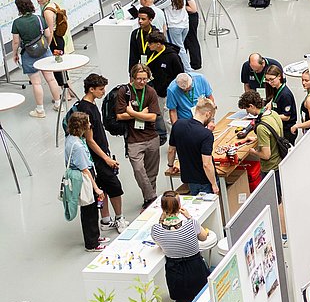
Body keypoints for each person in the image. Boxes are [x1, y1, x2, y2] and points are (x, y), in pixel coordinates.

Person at [67, 74, 126, 231]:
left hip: (96, 157)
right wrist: (106, 158)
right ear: (91, 89)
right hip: (98, 158)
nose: (103, 92)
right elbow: (90, 140)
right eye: (100, 89)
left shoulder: (87, 106)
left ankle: (105, 220)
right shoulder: (88, 110)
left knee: (103, 187)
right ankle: (119, 218)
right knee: (114, 186)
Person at [149, 191, 212, 302]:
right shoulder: (191, 224)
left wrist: (161, 220)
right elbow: (203, 237)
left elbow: (160, 244)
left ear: (162, 208)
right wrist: (189, 217)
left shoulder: (156, 229)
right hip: (197, 270)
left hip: (175, 275)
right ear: (179, 206)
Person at [118, 64, 162, 209]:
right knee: (138, 169)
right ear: (132, 78)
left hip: (151, 137)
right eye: (139, 79)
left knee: (152, 173)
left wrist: (133, 113)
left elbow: (153, 117)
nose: (142, 82)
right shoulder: (124, 92)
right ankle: (152, 198)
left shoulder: (151, 92)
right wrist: (143, 114)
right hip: (133, 140)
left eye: (145, 79)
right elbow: (119, 115)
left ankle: (148, 201)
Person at [9, 0, 60, 119]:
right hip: (44, 51)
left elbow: (16, 42)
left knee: (36, 83)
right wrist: (46, 46)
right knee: (51, 79)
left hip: (28, 54)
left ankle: (40, 110)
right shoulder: (38, 18)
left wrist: (15, 54)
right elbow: (48, 34)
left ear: (18, 8)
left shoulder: (17, 23)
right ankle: (58, 104)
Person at [64, 112, 106, 252]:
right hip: (85, 178)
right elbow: (85, 171)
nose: (90, 125)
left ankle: (95, 236)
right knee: (89, 210)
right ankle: (92, 243)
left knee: (90, 210)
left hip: (81, 174)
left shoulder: (71, 139)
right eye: (87, 123)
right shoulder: (78, 146)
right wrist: (96, 188)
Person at [166, 97, 218, 196]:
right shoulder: (206, 134)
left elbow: (171, 150)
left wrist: (170, 166)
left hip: (189, 178)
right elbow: (206, 164)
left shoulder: (178, 125)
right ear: (208, 114)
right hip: (204, 181)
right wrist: (214, 184)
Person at [238, 91, 286, 176]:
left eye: (247, 109)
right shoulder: (273, 114)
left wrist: (253, 152)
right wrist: (258, 139)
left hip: (270, 168)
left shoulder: (261, 127)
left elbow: (266, 155)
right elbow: (273, 137)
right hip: (280, 161)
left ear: (252, 106)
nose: (247, 112)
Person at [154, 0, 194, 68]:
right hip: (184, 25)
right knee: (181, 47)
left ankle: (187, 70)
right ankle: (182, 66)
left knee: (179, 49)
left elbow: (157, 7)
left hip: (175, 27)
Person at [142, 30, 187, 103]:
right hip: (152, 89)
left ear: (158, 44)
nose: (148, 45)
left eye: (150, 43)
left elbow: (180, 75)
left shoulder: (173, 57)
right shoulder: (151, 52)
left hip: (166, 93)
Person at [262, 65, 298, 143]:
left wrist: (269, 115)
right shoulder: (276, 88)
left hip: (287, 130)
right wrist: (271, 102)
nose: (269, 82)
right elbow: (275, 100)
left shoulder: (285, 94)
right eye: (267, 80)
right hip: (280, 127)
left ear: (279, 76)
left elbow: (286, 117)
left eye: (272, 79)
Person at [128, 7, 158, 72]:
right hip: (141, 68)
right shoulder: (135, 34)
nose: (140, 21)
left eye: (143, 19)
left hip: (155, 68)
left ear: (150, 20)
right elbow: (133, 56)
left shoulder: (156, 34)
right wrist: (131, 73)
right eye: (139, 18)